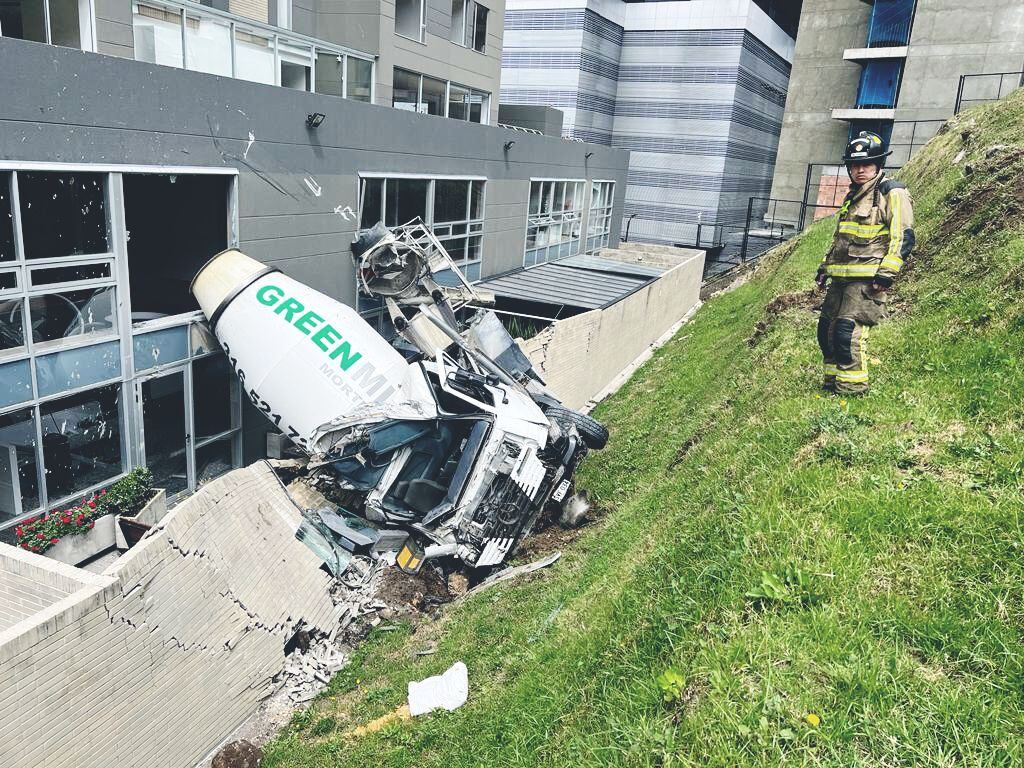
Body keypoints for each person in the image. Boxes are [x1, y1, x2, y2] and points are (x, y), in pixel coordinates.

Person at [815, 131, 915, 395]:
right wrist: (826, 267)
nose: (860, 170)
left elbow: (903, 235)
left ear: (878, 165)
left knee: (847, 333)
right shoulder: (854, 196)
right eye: (855, 165)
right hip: (841, 277)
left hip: (867, 279)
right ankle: (831, 384)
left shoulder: (892, 193)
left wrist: (887, 272)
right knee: (826, 331)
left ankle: (851, 390)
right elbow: (842, 238)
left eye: (866, 164)